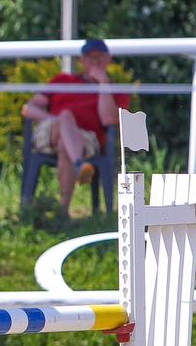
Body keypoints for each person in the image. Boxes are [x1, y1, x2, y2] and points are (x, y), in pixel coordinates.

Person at [20, 38, 130, 215]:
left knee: (66, 146)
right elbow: (29, 108)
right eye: (90, 58)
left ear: (109, 59)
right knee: (65, 116)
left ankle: (62, 211)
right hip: (50, 131)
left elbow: (109, 120)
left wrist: (103, 84)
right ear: (81, 61)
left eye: (100, 57)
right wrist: (57, 120)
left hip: (87, 139)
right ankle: (79, 164)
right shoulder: (62, 80)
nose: (95, 62)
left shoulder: (116, 90)